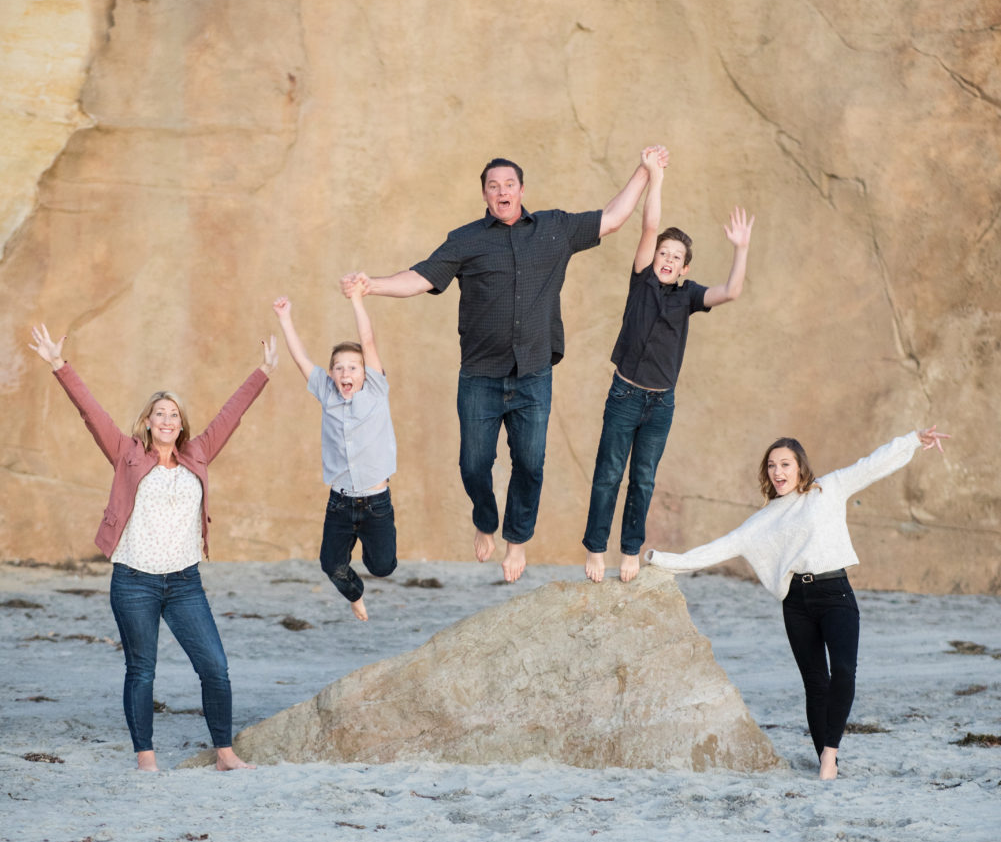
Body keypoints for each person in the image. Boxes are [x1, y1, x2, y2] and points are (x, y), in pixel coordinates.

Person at [339, 148, 666, 582]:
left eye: (509, 184)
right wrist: (372, 286)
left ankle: (516, 541)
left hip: (533, 374)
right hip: (480, 376)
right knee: (474, 465)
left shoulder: (555, 229)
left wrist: (645, 172)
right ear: (485, 196)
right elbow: (421, 276)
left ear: (522, 190)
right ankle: (485, 518)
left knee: (530, 464)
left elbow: (612, 217)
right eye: (493, 186)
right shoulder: (466, 239)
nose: (502, 191)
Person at [29, 322, 278, 773]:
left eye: (175, 415)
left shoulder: (198, 452)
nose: (167, 421)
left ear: (182, 424)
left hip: (185, 581)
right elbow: (91, 412)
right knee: (142, 670)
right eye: (160, 414)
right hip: (134, 580)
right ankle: (146, 758)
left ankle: (225, 754)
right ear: (148, 420)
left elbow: (230, 414)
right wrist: (59, 364)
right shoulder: (126, 452)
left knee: (215, 668)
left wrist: (263, 371)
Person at [645, 426, 950, 780]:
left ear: (800, 467)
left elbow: (873, 464)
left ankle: (829, 756)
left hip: (835, 593)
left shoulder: (828, 489)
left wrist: (913, 440)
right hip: (797, 603)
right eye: (772, 465)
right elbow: (717, 549)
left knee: (844, 673)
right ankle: (826, 758)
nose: (778, 472)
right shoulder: (763, 519)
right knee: (815, 682)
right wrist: (657, 559)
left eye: (785, 464)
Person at [582, 148, 753, 584]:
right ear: (654, 257)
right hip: (624, 395)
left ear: (684, 268)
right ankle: (596, 548)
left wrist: (741, 249)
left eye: (677, 257)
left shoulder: (688, 295)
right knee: (608, 475)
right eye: (664, 253)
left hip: (660, 405)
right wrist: (655, 176)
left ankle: (630, 551)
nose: (668, 259)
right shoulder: (641, 279)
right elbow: (650, 224)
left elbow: (731, 292)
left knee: (642, 481)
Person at [272, 286, 397, 621]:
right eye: (339, 368)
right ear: (330, 375)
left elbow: (367, 341)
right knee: (331, 565)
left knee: (383, 567)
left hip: (376, 501)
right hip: (340, 502)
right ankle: (355, 595)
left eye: (353, 368)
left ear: (366, 374)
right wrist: (285, 318)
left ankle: (372, 557)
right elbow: (301, 358)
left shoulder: (375, 390)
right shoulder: (326, 392)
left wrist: (356, 300)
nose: (346, 373)